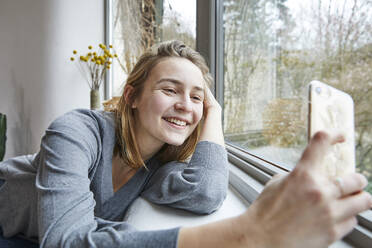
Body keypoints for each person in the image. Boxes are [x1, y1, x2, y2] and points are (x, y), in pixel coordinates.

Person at [0, 40, 370, 248]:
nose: (185, 105)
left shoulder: (160, 166)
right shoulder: (77, 130)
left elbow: (208, 192)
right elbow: (65, 242)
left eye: (197, 98)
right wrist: (247, 235)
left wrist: (215, 114)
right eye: (169, 89)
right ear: (132, 96)